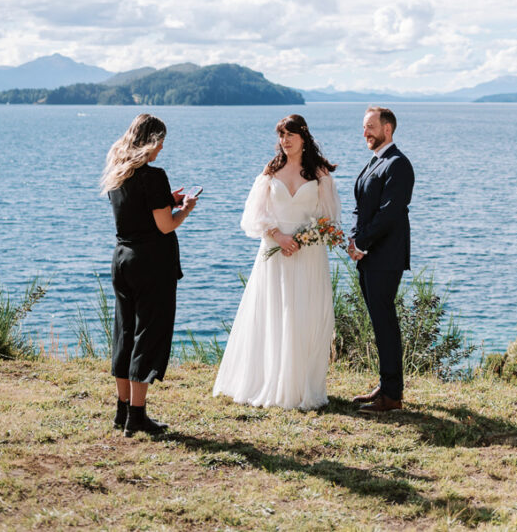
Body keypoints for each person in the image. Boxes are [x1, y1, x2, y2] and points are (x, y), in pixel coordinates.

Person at [213, 113, 341, 410]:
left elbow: (329, 218)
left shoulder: (320, 173)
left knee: (303, 315)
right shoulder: (271, 171)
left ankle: (301, 386)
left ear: (303, 138)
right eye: (281, 136)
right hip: (275, 252)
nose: (284, 141)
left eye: (289, 135)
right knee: (274, 313)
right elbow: (255, 216)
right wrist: (278, 236)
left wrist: (308, 237)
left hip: (307, 255)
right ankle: (270, 380)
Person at [101, 113, 199, 437]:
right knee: (147, 334)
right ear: (151, 141)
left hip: (122, 259)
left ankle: (122, 410)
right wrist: (184, 208)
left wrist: (166, 201)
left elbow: (136, 210)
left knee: (124, 332)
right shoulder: (154, 176)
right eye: (160, 142)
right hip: (151, 263)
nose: (161, 149)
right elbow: (164, 225)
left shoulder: (117, 172)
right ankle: (138, 416)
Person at [348, 105, 414, 414]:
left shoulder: (398, 164)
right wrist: (353, 239)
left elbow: (389, 214)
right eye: (363, 127)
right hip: (370, 256)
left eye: (370, 127)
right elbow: (362, 209)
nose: (365, 132)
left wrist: (362, 242)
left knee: (385, 323)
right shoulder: (376, 162)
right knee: (379, 323)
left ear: (387, 129)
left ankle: (392, 396)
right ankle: (387, 386)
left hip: (386, 258)